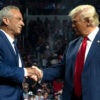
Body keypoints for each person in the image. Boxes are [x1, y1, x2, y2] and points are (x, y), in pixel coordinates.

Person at [32, 4, 100, 100]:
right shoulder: (73, 45)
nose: (72, 26)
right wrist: (41, 73)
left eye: (75, 22)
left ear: (88, 21)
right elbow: (61, 69)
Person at [0, 5, 41, 100]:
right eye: (19, 19)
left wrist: (29, 78)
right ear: (6, 21)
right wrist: (26, 71)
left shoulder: (12, 43)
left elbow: (14, 73)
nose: (22, 23)